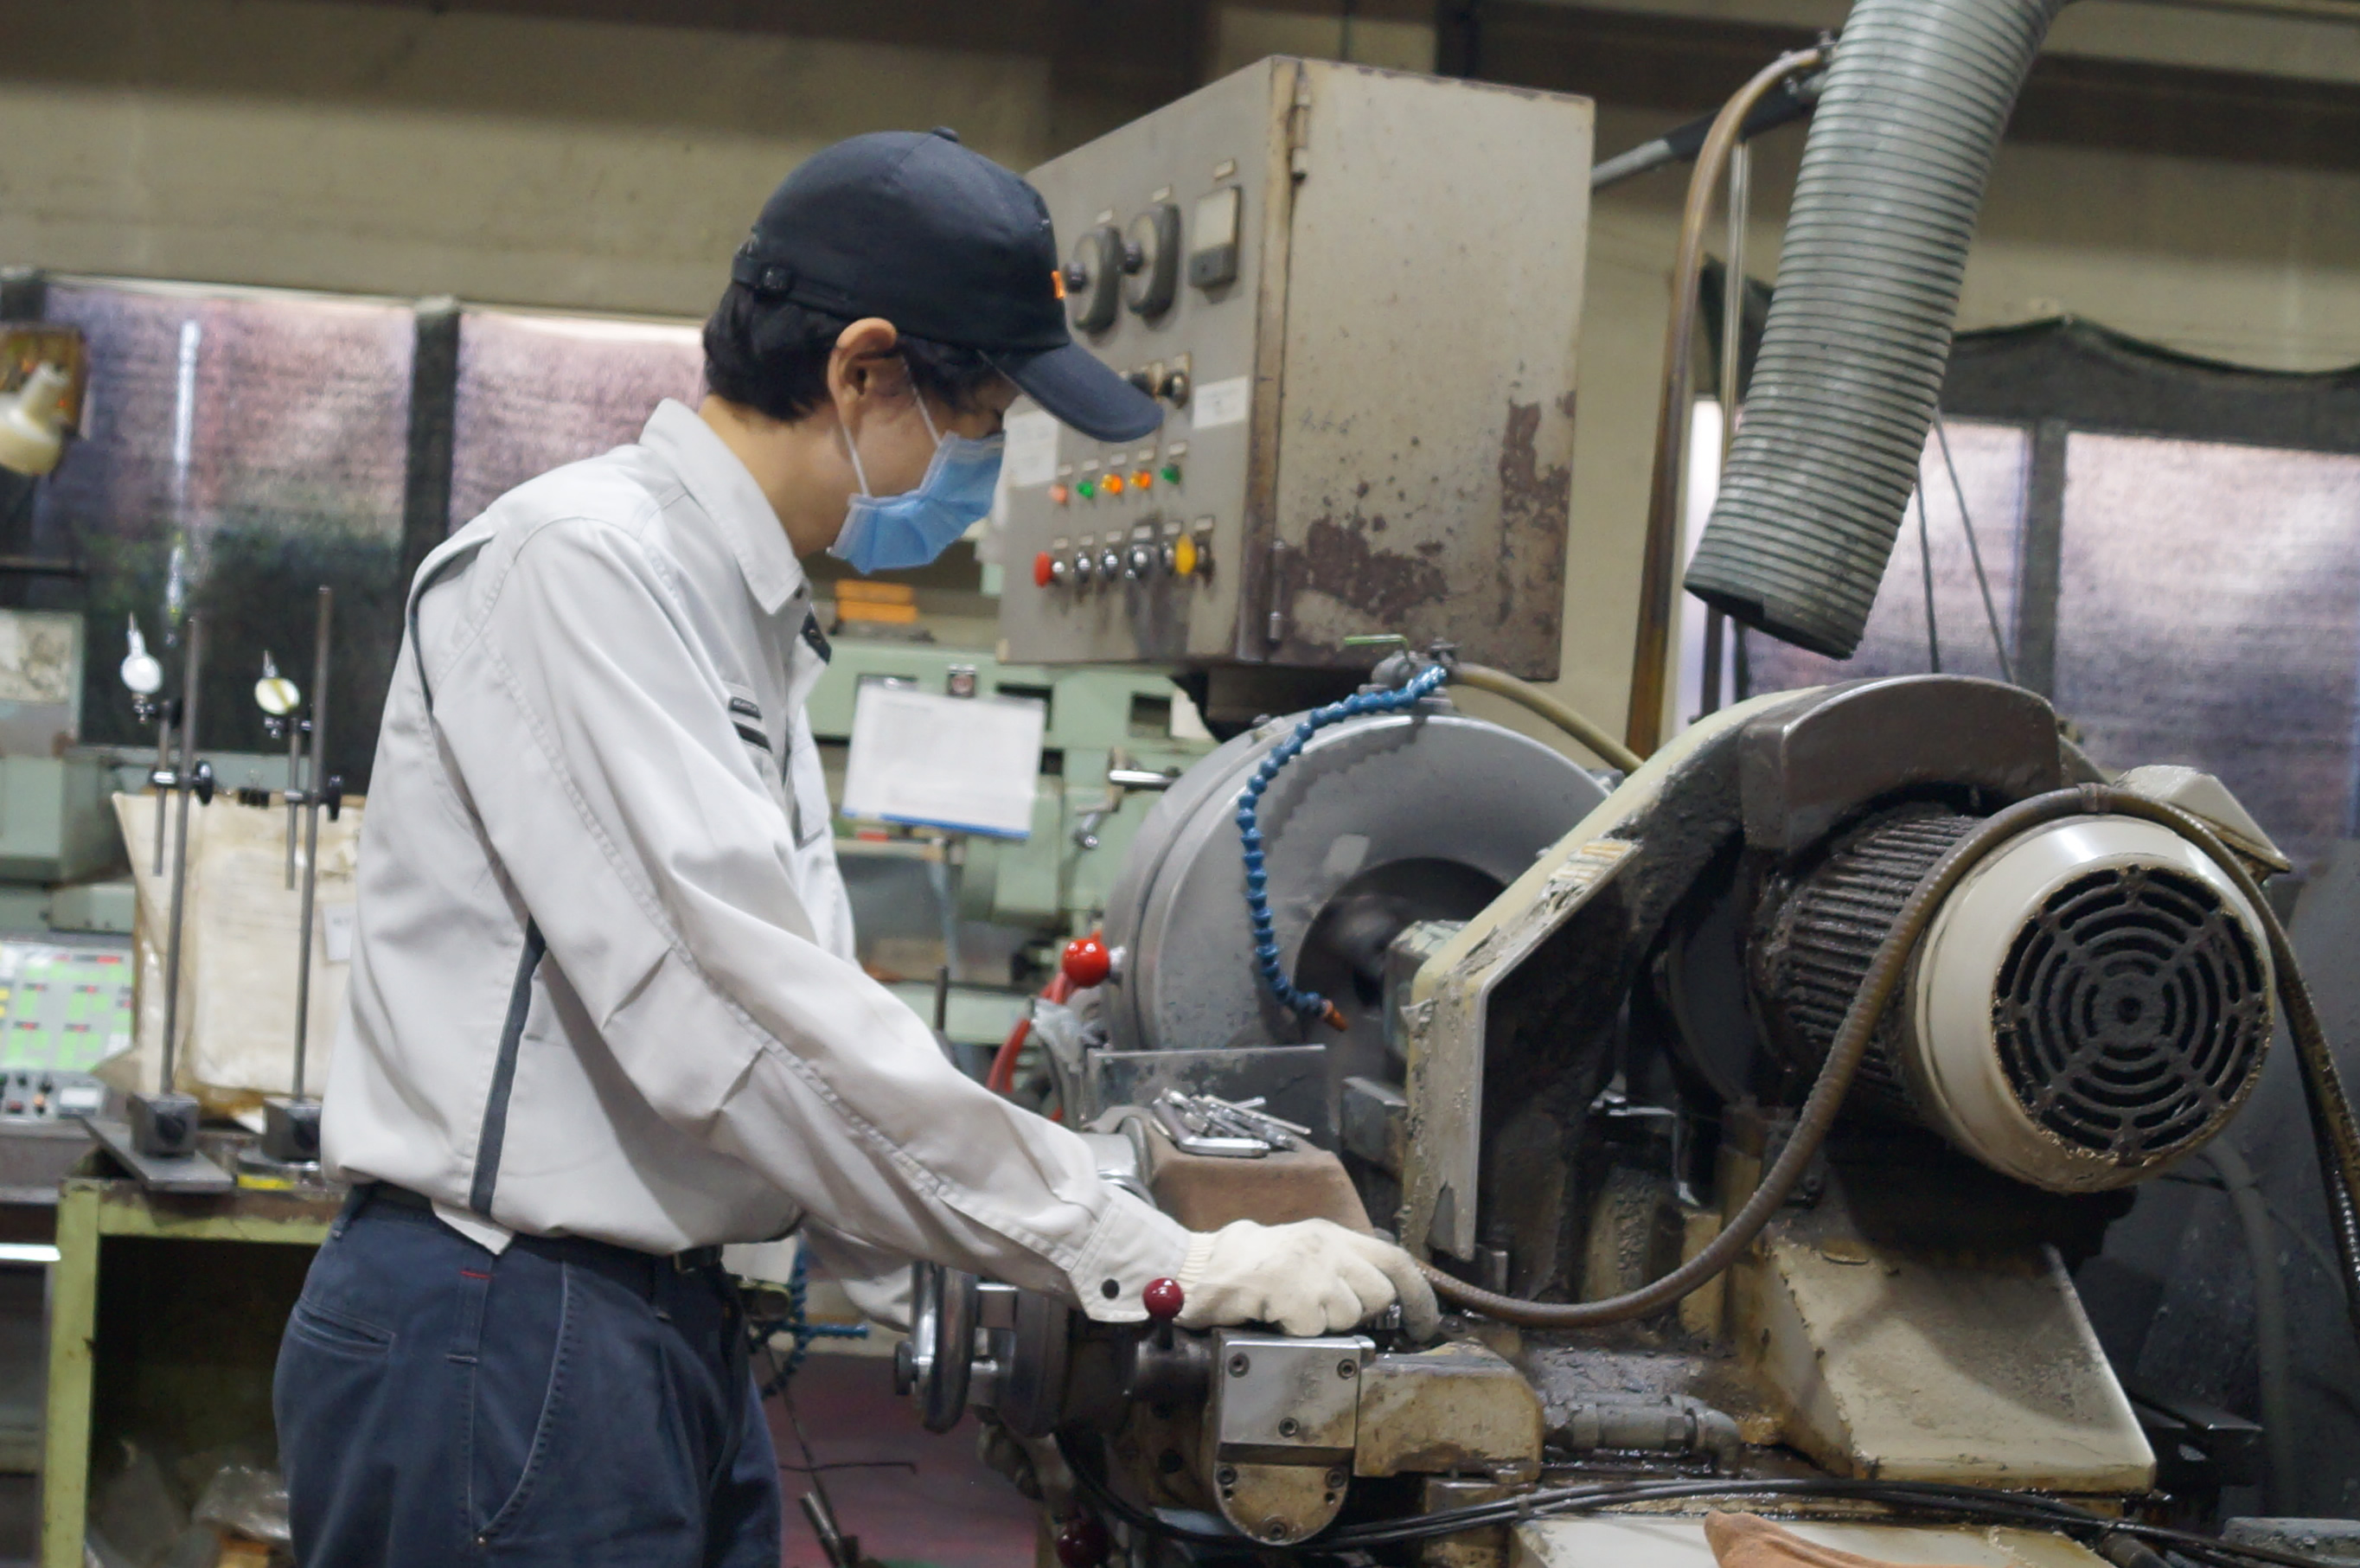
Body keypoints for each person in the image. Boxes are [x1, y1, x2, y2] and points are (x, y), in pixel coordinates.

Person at [272, 127, 1437, 1567]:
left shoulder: (748, 619)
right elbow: (741, 1025)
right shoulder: (578, 569)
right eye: (987, 414)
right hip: (507, 1331)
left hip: (649, 1328)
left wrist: (963, 1278)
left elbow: (806, 1041)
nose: (985, 466)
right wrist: (1152, 1257)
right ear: (863, 370)